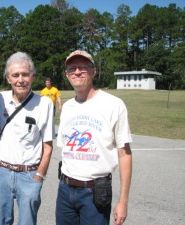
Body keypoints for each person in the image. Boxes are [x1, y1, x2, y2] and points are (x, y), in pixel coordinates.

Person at [56, 50, 132, 225]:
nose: (77, 72)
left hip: (95, 192)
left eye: (83, 67)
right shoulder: (67, 107)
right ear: (67, 74)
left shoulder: (114, 105)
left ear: (93, 71)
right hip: (65, 189)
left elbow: (124, 154)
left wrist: (123, 201)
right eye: (71, 68)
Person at [0, 52, 54, 225]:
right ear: (8, 78)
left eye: (25, 74)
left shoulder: (45, 104)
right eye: (15, 75)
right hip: (1, 173)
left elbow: (48, 145)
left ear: (32, 76)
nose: (20, 79)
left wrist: (39, 175)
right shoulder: (0, 99)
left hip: (29, 174)